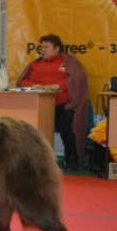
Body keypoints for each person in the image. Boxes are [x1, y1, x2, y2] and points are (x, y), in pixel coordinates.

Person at [16, 34, 84, 169]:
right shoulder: (35, 64)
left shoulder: (68, 62)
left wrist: (56, 86)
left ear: (57, 48)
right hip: (39, 105)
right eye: (41, 47)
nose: (43, 50)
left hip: (61, 105)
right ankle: (34, 161)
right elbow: (22, 81)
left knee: (66, 128)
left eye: (47, 47)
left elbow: (77, 78)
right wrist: (32, 85)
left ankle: (71, 157)